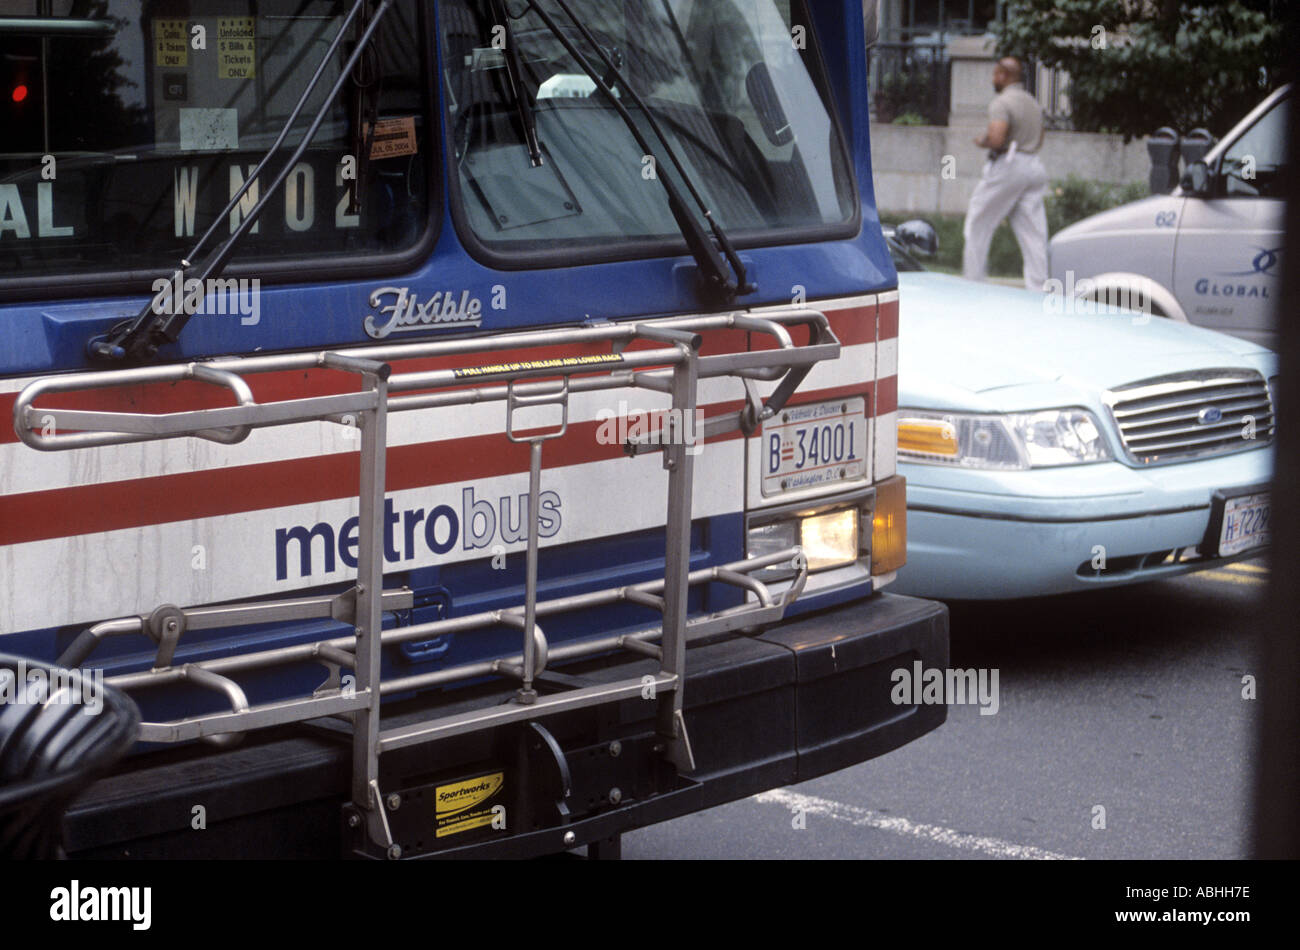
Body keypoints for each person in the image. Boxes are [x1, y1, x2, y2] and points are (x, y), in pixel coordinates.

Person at [962, 57, 1049, 291]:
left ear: (1004, 75)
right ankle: (1039, 288)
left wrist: (982, 141)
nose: (993, 79)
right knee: (1033, 233)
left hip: (1009, 164)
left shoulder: (1002, 103)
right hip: (1034, 165)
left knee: (978, 221)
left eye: (995, 74)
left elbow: (997, 138)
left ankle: (973, 283)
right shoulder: (1032, 102)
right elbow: (1040, 137)